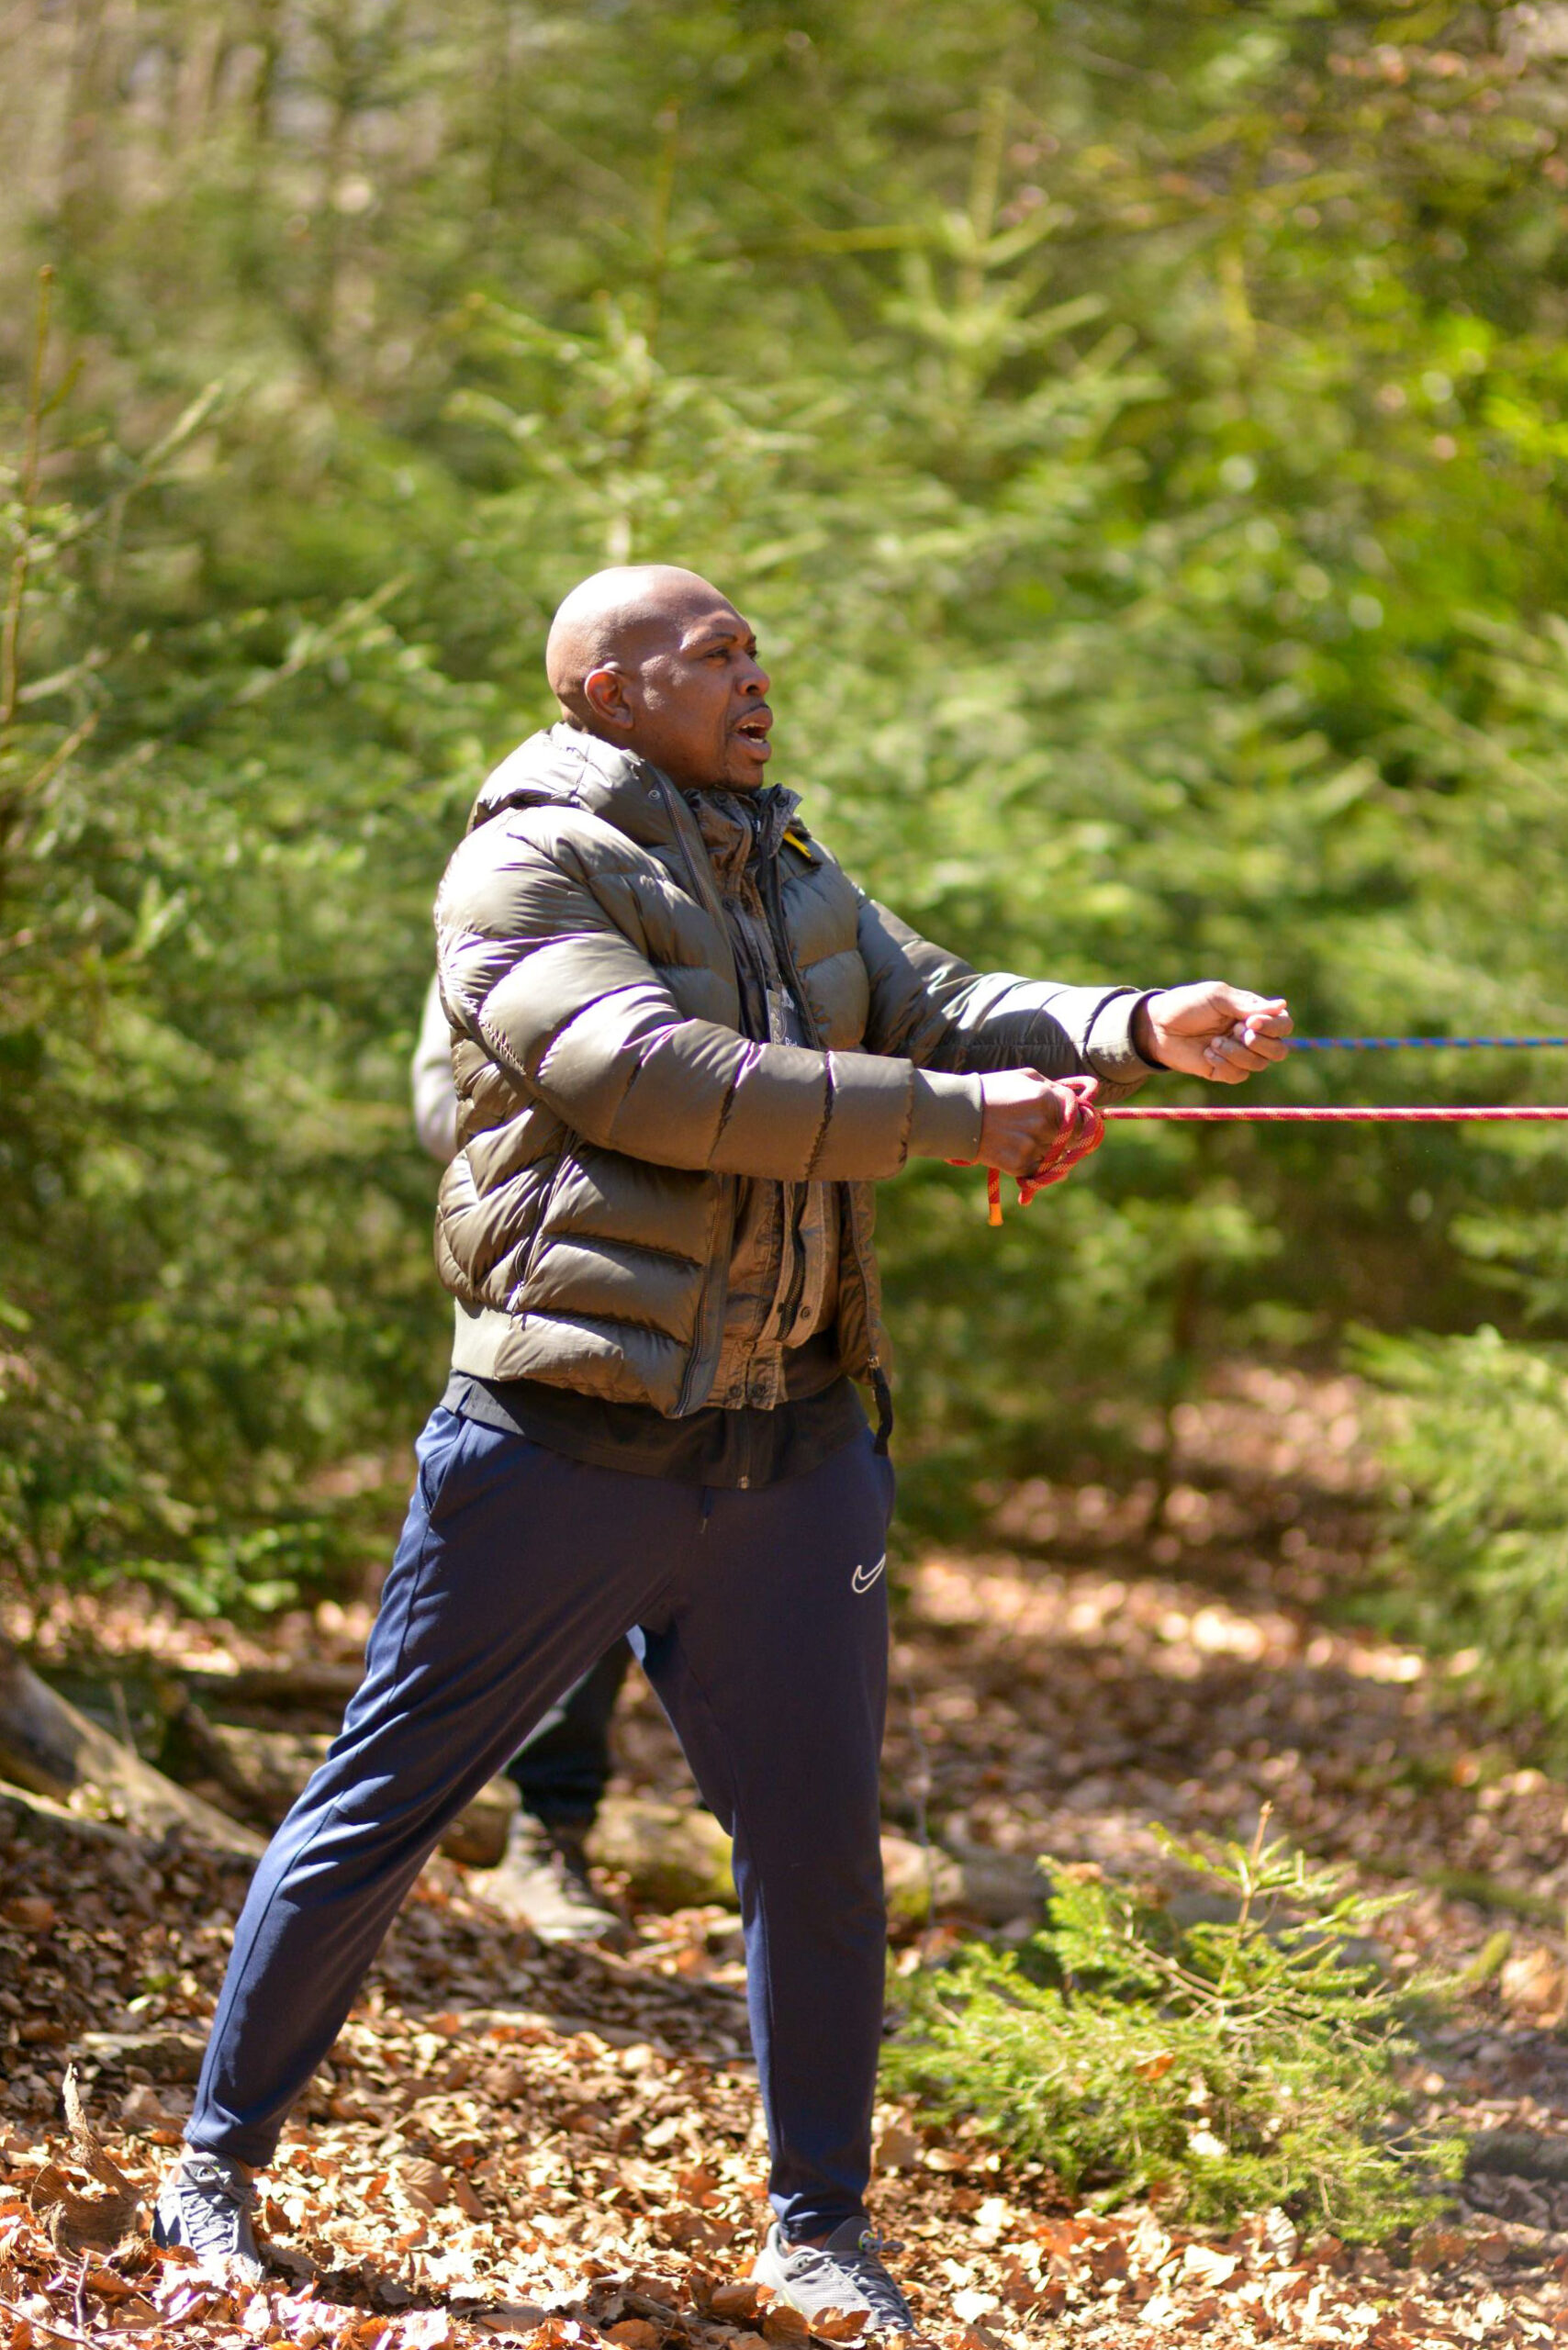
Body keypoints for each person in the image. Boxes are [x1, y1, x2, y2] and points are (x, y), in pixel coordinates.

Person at [155, 565, 1291, 2331]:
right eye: (711, 651)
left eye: (756, 644)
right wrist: (947, 1125)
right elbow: (654, 1078)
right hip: (559, 1445)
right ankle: (215, 2169)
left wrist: (1128, 1024)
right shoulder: (522, 864)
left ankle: (820, 2232)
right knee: (377, 1811)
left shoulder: (781, 859)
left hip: (795, 1454)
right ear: (607, 691)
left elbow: (928, 1001)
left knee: (822, 1859)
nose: (752, 670)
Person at [412, 979, 632, 1945]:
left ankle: (787, 1877)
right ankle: (533, 1838)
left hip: (732, 1357)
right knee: (534, 1583)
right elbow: (439, 1101)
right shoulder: (516, 886)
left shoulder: (754, 897)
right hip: (546, 1328)